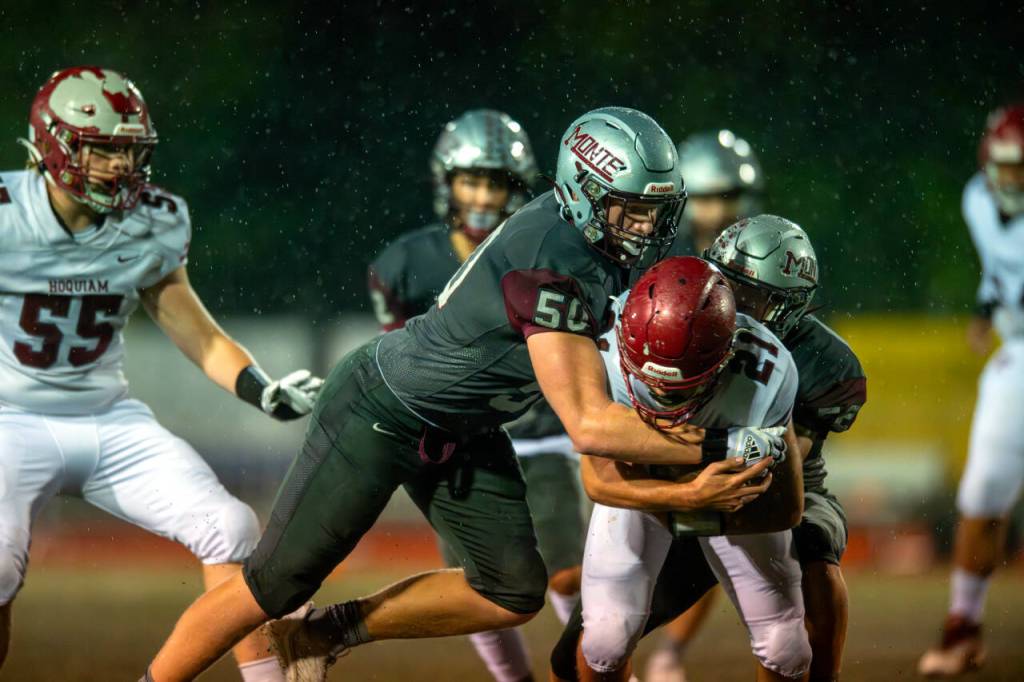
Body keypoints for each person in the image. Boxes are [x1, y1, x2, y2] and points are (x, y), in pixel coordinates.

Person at [140, 106, 777, 682]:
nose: (646, 225)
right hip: (382, 411)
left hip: (464, 429)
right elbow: (587, 424)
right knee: (273, 583)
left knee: (510, 591)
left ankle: (321, 635)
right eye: (630, 208)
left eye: (654, 209)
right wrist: (723, 441)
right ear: (585, 193)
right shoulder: (552, 261)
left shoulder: (588, 238)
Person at [0, 66, 322, 681]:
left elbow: (195, 330)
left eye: (130, 150)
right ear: (53, 144)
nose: (121, 167)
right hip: (10, 417)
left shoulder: (156, 218)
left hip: (108, 418)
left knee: (231, 527)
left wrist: (261, 388)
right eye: (103, 149)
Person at [368, 109, 583, 682]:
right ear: (447, 182)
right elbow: (405, 368)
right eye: (473, 180)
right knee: (475, 589)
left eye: (497, 182)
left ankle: (593, 672)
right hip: (461, 441)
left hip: (540, 432)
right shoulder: (406, 264)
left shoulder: (543, 249)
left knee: (569, 573)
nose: (485, 195)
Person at [551, 255, 809, 682]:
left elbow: (787, 509)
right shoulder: (603, 355)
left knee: (787, 647)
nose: (660, 395)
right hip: (662, 494)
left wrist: (714, 500)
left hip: (730, 505)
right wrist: (692, 495)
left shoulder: (767, 372)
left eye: (678, 387)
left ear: (727, 356)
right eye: (647, 380)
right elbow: (598, 480)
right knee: (605, 640)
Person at [644, 216, 866, 682]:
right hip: (677, 472)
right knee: (588, 641)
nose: (732, 305)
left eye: (751, 297)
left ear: (788, 307)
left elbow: (781, 464)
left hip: (783, 486)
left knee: (816, 552)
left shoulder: (826, 363)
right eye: (726, 286)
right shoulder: (680, 317)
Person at [654, 129, 767, 680]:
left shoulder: (762, 255)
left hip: (728, 414)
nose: (717, 209)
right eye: (704, 196)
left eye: (727, 196)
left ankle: (670, 651)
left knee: (709, 541)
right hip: (657, 410)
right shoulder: (657, 251)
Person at [918, 103, 1024, 678]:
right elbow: (999, 268)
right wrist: (986, 309)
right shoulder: (977, 200)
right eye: (1006, 166)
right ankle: (964, 624)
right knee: (982, 492)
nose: (1012, 179)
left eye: (1022, 167)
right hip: (1019, 351)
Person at [668, 129, 764, 257]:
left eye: (729, 196)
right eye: (705, 198)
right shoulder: (658, 261)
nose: (718, 212)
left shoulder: (768, 263)